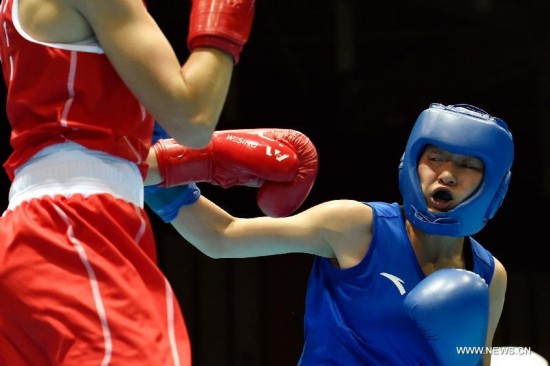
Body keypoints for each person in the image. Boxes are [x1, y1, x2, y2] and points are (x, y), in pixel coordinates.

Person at [144, 103, 515, 366]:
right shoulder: (356, 226)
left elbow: (475, 361)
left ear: (493, 184)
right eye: (435, 158)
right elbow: (222, 237)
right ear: (411, 162)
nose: (447, 174)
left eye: (467, 165)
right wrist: (154, 175)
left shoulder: (488, 274)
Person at [0, 0, 259, 364]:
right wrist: (224, 17)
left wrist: (178, 167)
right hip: (76, 227)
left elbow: (77, 139)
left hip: (39, 231)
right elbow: (194, 119)